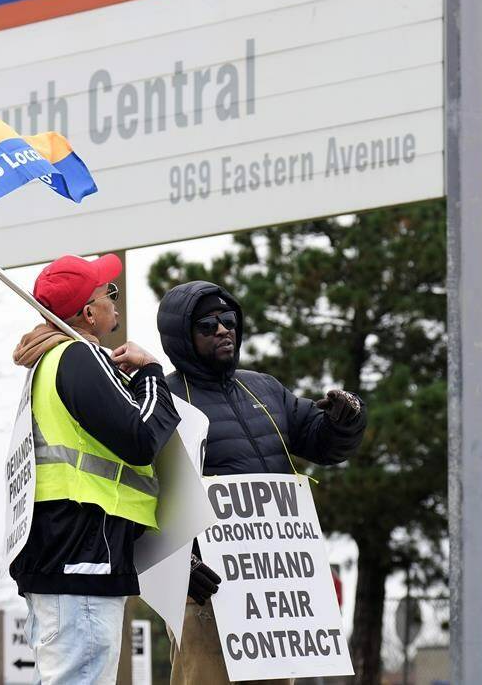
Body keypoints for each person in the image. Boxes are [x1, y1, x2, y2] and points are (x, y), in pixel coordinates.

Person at [156, 280, 367, 685]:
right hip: (206, 592)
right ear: (181, 338)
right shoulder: (165, 399)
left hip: (271, 595)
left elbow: (322, 441)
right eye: (207, 326)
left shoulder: (264, 389)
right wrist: (178, 564)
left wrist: (347, 418)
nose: (222, 330)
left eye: (229, 320)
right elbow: (141, 491)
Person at [9, 253, 180, 684]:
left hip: (64, 552)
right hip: (83, 553)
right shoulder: (81, 356)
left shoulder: (47, 364)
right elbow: (143, 439)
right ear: (88, 313)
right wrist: (152, 373)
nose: (115, 304)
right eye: (109, 294)